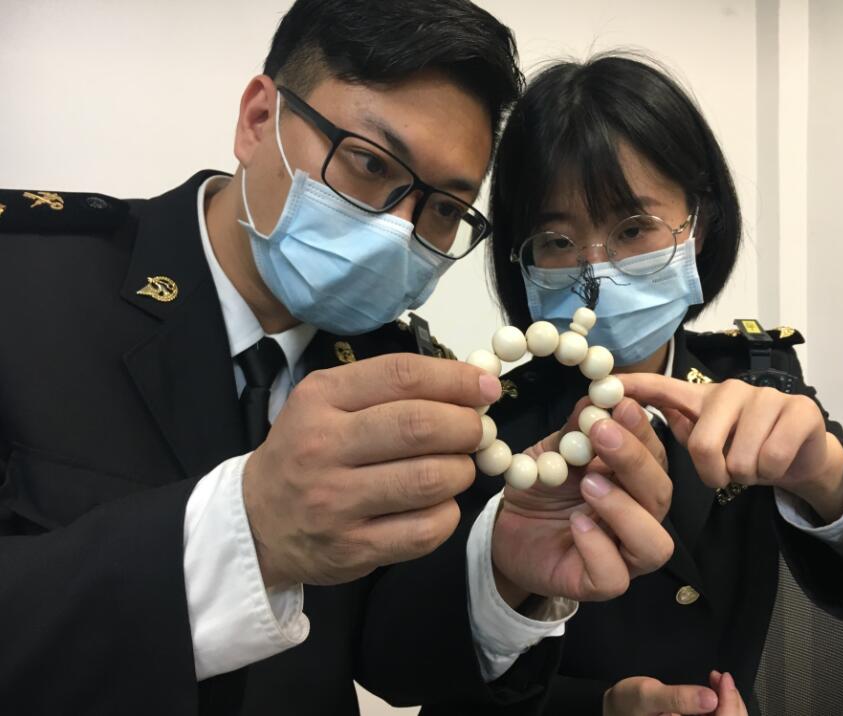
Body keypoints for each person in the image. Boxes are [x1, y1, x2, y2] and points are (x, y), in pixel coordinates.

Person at [0, 7, 678, 715]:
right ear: (258, 119)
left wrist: (501, 573)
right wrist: (246, 534)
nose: (398, 232)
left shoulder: (397, 370)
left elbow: (384, 654)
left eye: (445, 208)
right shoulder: (24, 283)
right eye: (370, 163)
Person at [420, 53, 843, 715]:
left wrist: (826, 474)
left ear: (698, 226)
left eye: (633, 228)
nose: (595, 272)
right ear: (520, 260)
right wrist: (599, 708)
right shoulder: (487, 425)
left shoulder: (758, 380)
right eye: (556, 241)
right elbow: (432, 665)